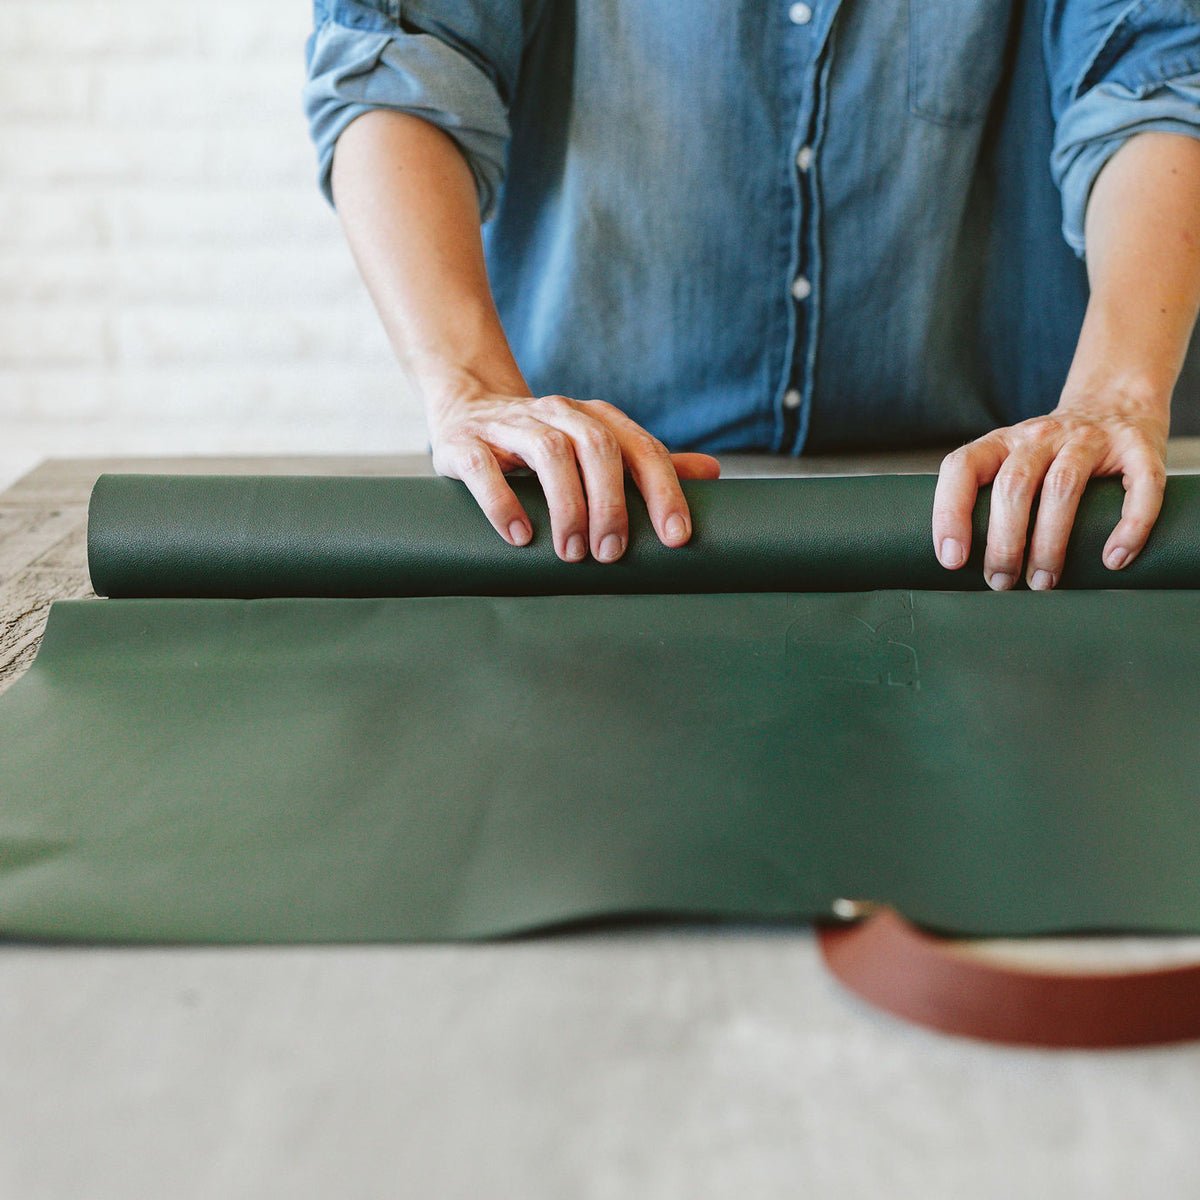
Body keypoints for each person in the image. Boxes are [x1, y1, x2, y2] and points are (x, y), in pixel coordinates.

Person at [303, 0, 1200, 589]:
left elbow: (1160, 75)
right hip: (586, 507)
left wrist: (1117, 392)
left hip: (1028, 518)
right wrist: (473, 390)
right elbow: (399, 57)